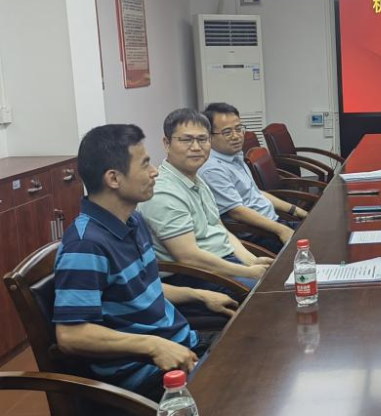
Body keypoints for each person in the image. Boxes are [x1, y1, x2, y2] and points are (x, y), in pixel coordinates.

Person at [53, 124, 237, 398]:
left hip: (181, 344)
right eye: (145, 164)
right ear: (114, 178)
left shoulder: (133, 221)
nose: (155, 172)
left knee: (259, 347)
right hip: (146, 371)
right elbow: (71, 336)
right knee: (251, 381)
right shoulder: (85, 245)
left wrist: (199, 294)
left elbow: (141, 288)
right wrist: (152, 346)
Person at [139, 108, 273, 290]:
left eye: (202, 139)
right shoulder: (162, 192)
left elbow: (219, 228)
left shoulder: (195, 177)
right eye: (186, 140)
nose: (196, 147)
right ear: (167, 143)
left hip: (222, 262)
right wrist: (248, 272)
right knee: (270, 290)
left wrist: (251, 261)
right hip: (194, 274)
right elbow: (188, 257)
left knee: (280, 277)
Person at [199, 102, 307, 253]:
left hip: (273, 222)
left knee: (324, 230)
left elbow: (255, 192)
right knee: (320, 248)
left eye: (238, 129)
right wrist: (281, 230)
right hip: (258, 234)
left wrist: (296, 210)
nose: (236, 136)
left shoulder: (234, 156)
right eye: (227, 132)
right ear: (209, 136)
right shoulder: (212, 169)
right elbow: (237, 211)